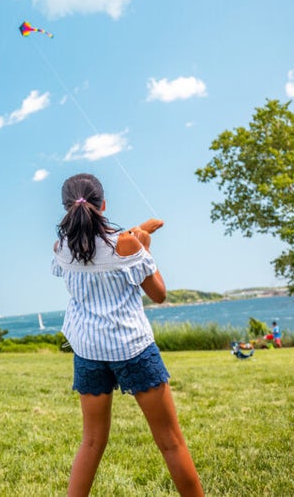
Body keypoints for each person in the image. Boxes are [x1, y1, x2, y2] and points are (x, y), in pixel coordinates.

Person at [52, 174, 202, 497]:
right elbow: (159, 294)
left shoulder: (61, 248)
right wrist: (145, 249)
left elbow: (100, 250)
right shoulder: (128, 244)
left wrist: (137, 236)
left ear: (66, 209)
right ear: (103, 205)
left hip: (89, 353)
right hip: (132, 349)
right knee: (171, 442)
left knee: (91, 442)